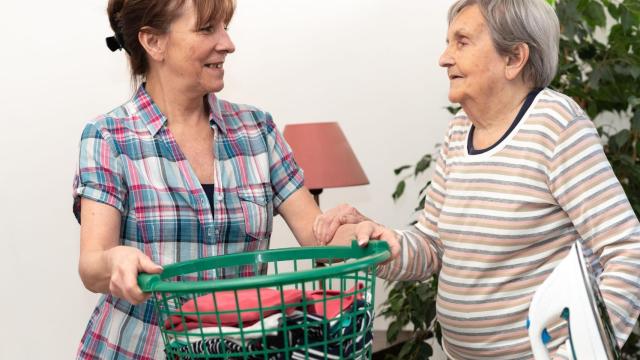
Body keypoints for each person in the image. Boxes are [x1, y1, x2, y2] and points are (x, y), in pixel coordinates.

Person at [316, 0, 640, 358]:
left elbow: (629, 251)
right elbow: (432, 246)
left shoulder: (556, 126)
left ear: (514, 58)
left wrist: (579, 352)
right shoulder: (459, 133)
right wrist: (377, 239)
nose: (444, 58)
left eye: (462, 41)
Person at [72, 0, 339, 358]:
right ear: (154, 42)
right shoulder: (109, 137)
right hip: (139, 349)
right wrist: (115, 260)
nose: (228, 43)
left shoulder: (257, 129)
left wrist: (360, 232)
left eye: (225, 27)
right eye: (207, 29)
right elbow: (91, 265)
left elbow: (319, 233)